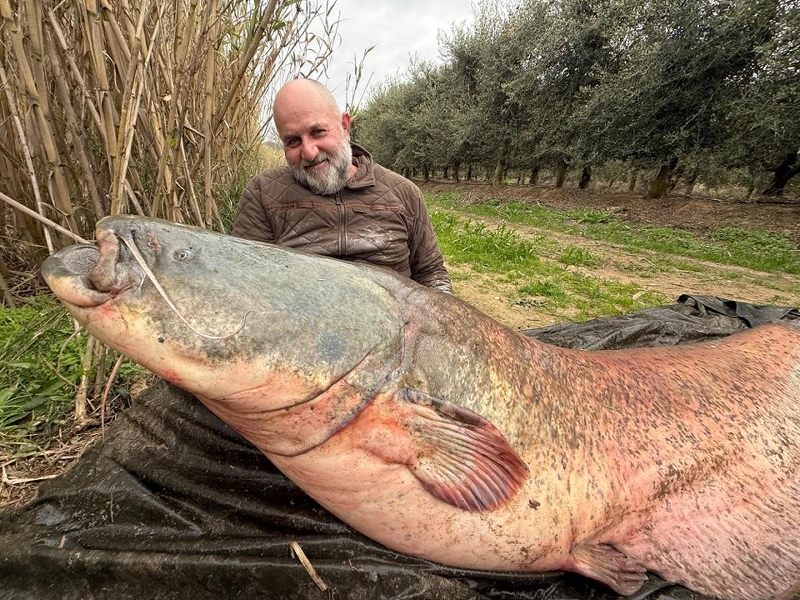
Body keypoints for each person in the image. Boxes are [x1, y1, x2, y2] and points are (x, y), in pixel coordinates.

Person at [232, 78, 452, 293]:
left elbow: (431, 274)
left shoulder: (404, 193)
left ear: (345, 126)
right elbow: (245, 281)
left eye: (317, 132)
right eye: (293, 141)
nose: (309, 152)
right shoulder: (263, 193)